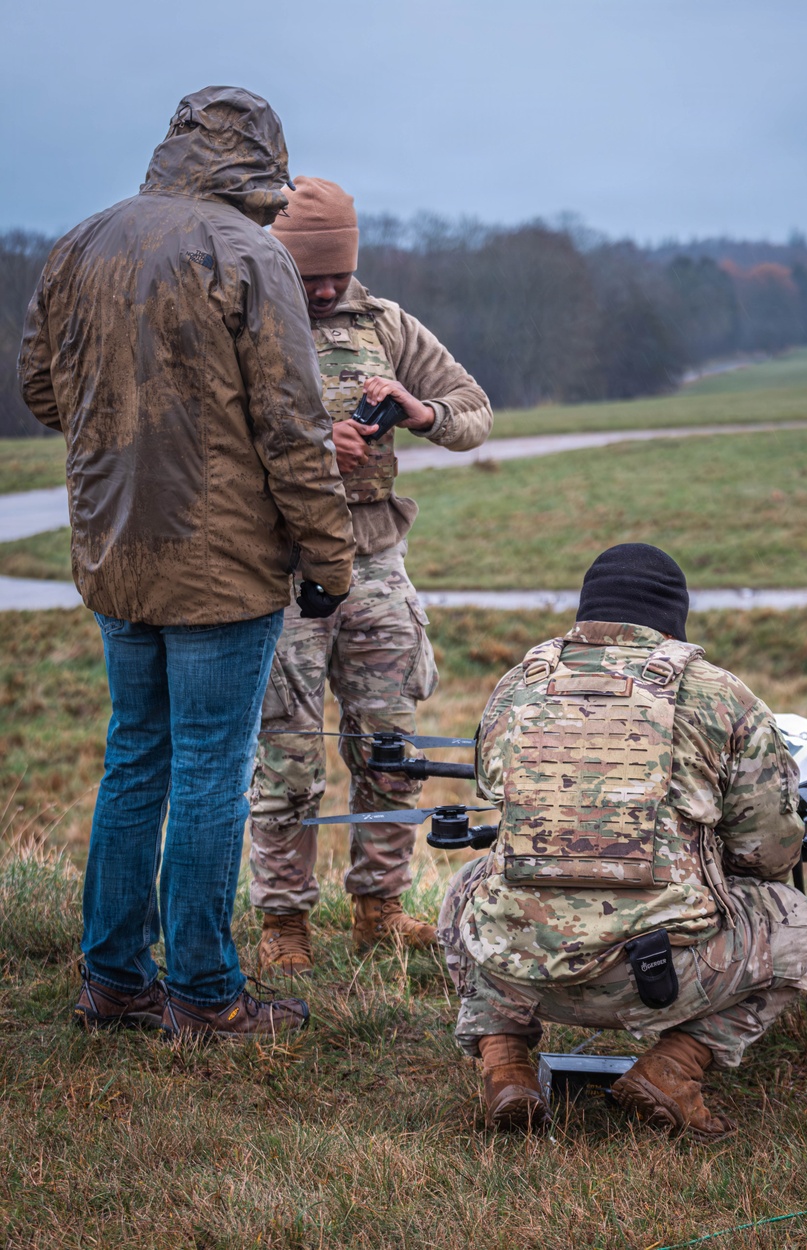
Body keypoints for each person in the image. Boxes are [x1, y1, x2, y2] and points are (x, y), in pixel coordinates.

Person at [18, 87, 356, 1040]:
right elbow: (292, 428)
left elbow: (41, 388)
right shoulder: (250, 253)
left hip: (115, 553)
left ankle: (114, 980)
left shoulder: (81, 242)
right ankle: (206, 995)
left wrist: (126, 419)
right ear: (260, 166)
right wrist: (330, 558)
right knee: (211, 769)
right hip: (221, 563)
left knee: (134, 758)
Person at [439, 544, 807, 1134]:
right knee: (793, 920)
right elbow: (766, 852)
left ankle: (506, 1066)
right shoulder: (722, 696)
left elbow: (495, 791)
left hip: (521, 967)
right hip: (658, 979)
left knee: (467, 885)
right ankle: (674, 1068)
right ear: (673, 618)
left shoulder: (517, 685)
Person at [248, 177, 492, 975]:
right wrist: (317, 443)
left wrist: (421, 412)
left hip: (376, 564)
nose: (324, 290)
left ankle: (380, 910)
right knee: (287, 758)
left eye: (337, 274)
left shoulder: (385, 324)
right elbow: (209, 442)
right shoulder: (245, 321)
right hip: (280, 569)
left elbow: (474, 409)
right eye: (309, 274)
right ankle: (283, 922)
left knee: (392, 751)